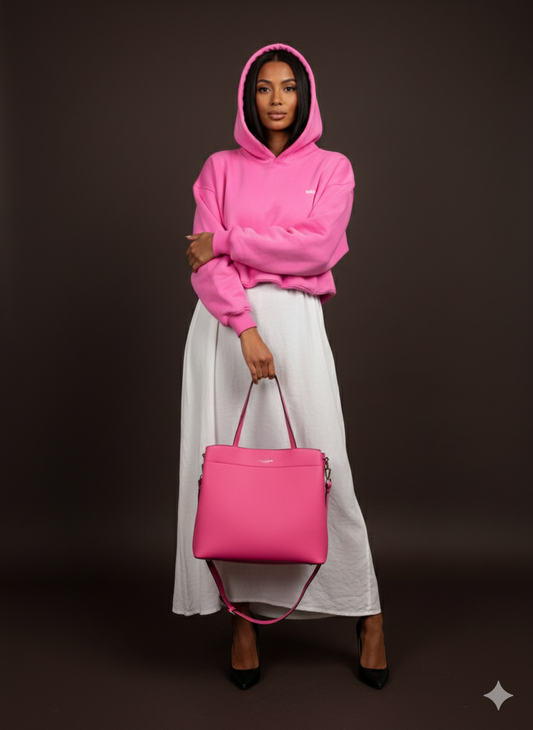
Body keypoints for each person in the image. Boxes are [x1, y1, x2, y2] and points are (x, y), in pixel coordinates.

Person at [173, 42, 388, 690]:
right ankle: (242, 621)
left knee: (322, 465)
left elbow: (316, 249)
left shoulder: (332, 167)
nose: (275, 99)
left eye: (288, 87)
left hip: (295, 324)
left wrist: (229, 241)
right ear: (249, 95)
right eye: (264, 87)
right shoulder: (218, 168)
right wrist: (244, 327)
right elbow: (203, 266)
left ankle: (366, 612)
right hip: (225, 331)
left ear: (305, 96)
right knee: (231, 478)